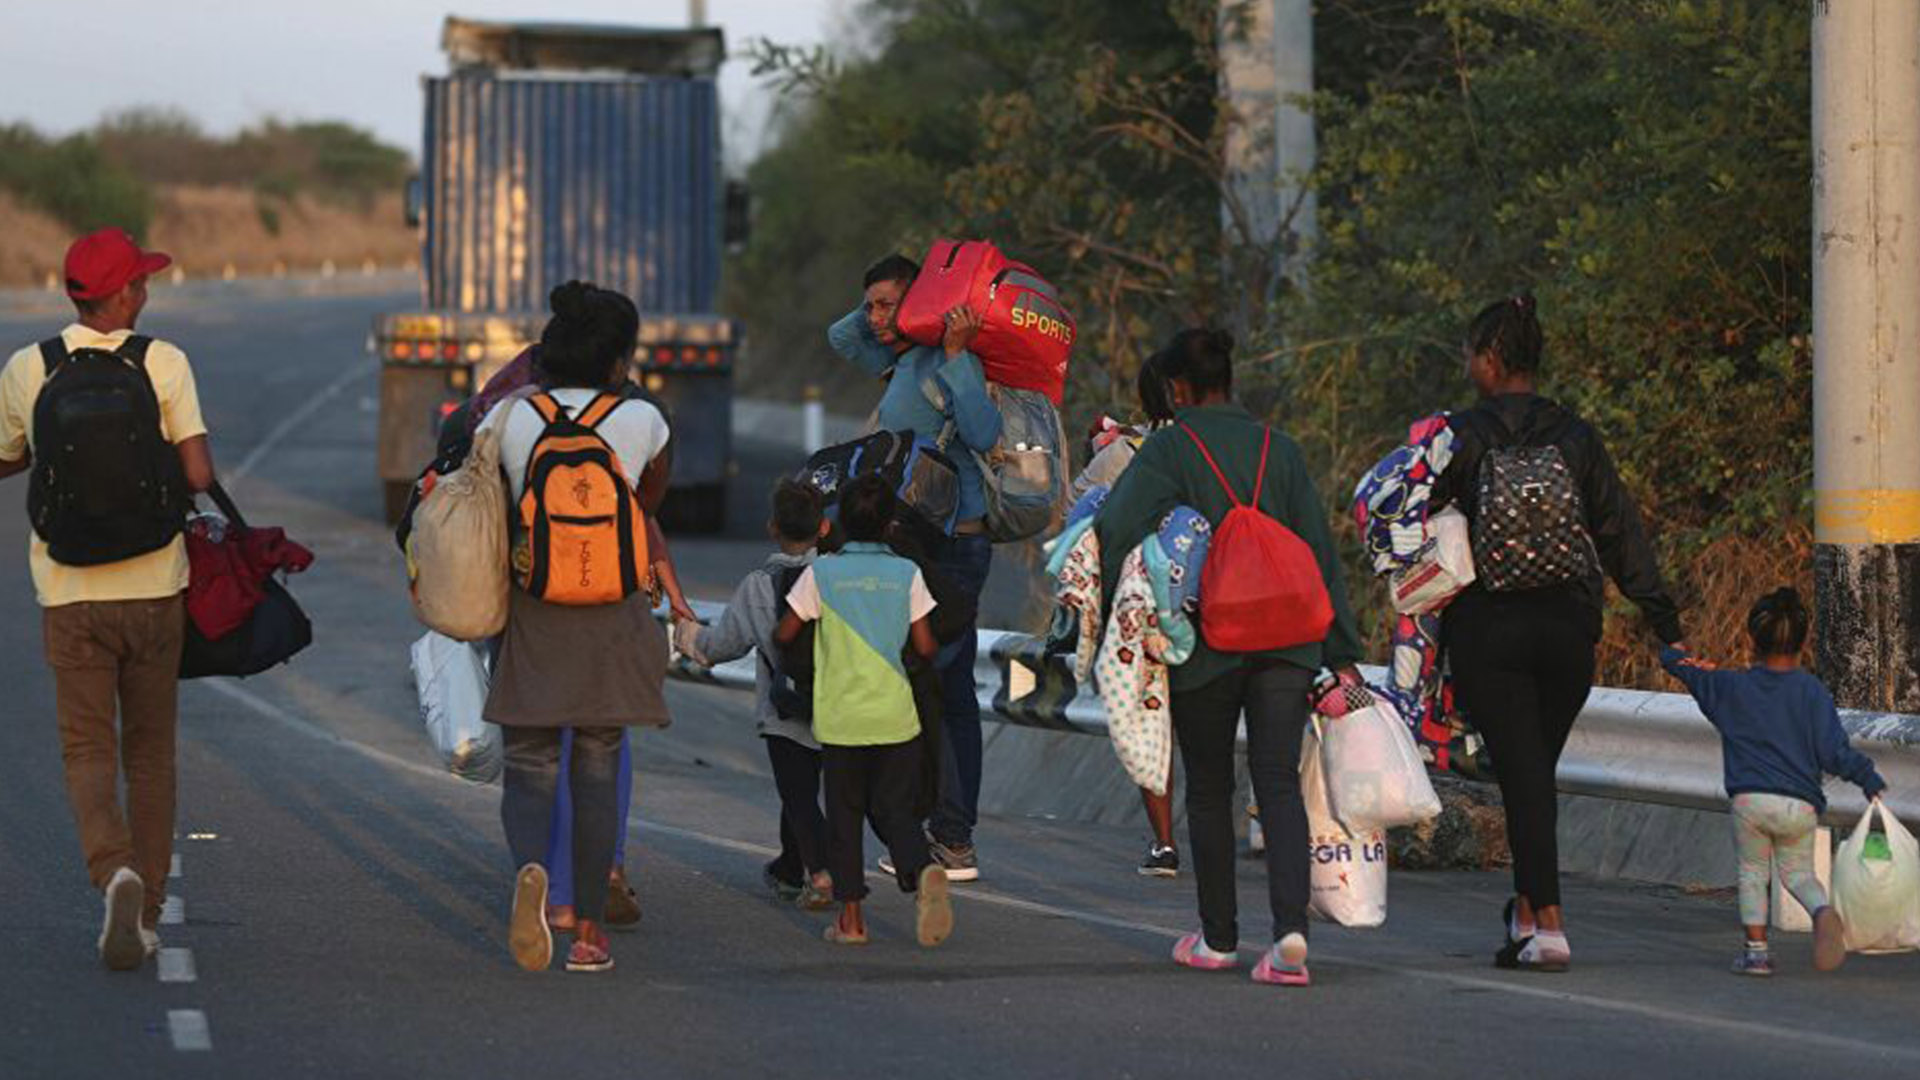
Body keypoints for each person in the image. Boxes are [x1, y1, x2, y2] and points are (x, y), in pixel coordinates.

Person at [1094, 328, 1363, 987]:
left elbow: (1114, 529)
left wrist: (1116, 609)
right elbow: (1320, 554)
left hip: (1206, 642)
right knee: (1277, 782)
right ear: (1229, 381)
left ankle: (1218, 939)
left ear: (1180, 389)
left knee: (1210, 789)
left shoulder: (1170, 446)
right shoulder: (1283, 449)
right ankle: (1291, 936)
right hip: (1289, 641)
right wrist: (1343, 651)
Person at [1430, 294, 1684, 973]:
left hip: (1493, 629)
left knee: (1523, 774)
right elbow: (1620, 534)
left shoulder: (1456, 437)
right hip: (1569, 629)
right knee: (1530, 770)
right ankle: (1523, 913)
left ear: (1489, 360)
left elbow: (1411, 526)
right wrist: (1665, 623)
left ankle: (1550, 921)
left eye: (1469, 354)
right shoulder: (1577, 436)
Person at [0, 228, 214, 969]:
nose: (146, 292)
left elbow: (7, 456)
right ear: (122, 294)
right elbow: (194, 472)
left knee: (86, 747)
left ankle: (111, 870)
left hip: (69, 592)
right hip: (155, 587)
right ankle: (147, 911)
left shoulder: (29, 367)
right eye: (140, 283)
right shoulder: (163, 362)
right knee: (149, 754)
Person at [479, 281, 675, 975]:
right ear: (619, 359)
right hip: (613, 613)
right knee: (597, 763)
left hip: (533, 606)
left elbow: (488, 509)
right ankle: (588, 927)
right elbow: (646, 507)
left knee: (530, 763)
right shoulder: (643, 422)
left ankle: (537, 884)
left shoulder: (506, 418)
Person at [828, 253, 1002, 882]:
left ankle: (951, 838)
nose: (874, 318)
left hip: (954, 543)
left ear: (918, 302)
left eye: (885, 304)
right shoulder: (902, 356)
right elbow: (840, 336)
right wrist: (903, 312)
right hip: (923, 544)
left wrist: (954, 352)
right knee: (946, 691)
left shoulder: (945, 362)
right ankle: (947, 833)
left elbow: (983, 433)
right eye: (870, 303)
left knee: (939, 688)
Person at [1661, 588, 1886, 977]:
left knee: (1752, 872)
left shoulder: (1730, 687)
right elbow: (1834, 752)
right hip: (1799, 805)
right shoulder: (1812, 693)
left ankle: (1757, 953)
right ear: (1803, 642)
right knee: (1797, 874)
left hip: (1750, 802)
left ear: (1752, 639)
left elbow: (1683, 668)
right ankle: (1823, 911)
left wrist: (1677, 656)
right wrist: (1867, 778)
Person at [774, 474, 954, 947]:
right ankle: (922, 870)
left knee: (845, 816)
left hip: (841, 716)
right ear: (891, 523)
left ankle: (852, 921)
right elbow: (925, 644)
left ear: (839, 523)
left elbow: (786, 632)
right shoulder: (906, 573)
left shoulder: (823, 573)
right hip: (896, 714)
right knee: (895, 810)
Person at [678, 478, 835, 909]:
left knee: (798, 794)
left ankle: (822, 870)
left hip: (785, 709)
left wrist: (687, 635)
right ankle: (789, 869)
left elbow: (721, 646)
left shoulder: (758, 584)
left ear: (772, 527)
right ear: (824, 527)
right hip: (840, 705)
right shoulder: (837, 577)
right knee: (808, 793)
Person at [1070, 354, 1183, 877]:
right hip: (1207, 605)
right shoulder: (1225, 447)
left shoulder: (1125, 450)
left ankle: (1164, 843)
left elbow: (1080, 508)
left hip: (1141, 607)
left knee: (1148, 720)